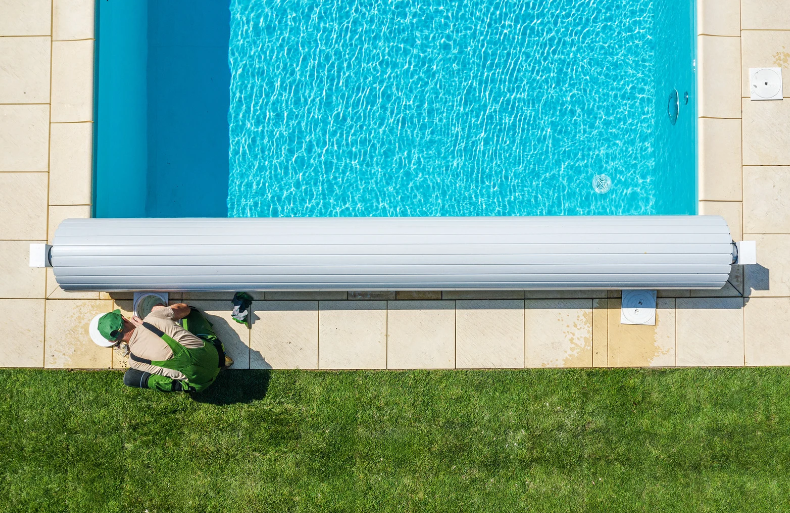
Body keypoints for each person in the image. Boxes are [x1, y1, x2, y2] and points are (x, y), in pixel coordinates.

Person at [89, 303, 233, 392]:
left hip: (201, 383)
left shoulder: (134, 361)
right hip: (215, 354)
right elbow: (185, 309)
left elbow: (150, 348)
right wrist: (159, 311)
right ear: (125, 319)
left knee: (130, 377)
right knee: (193, 312)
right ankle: (223, 360)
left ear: (113, 341)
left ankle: (183, 384)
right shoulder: (153, 318)